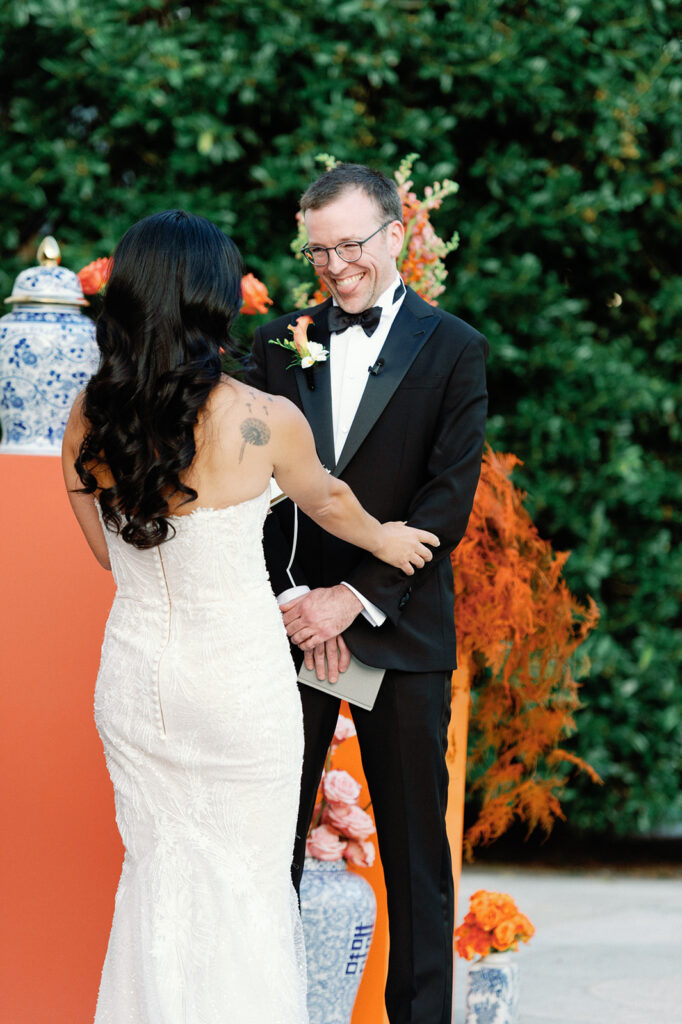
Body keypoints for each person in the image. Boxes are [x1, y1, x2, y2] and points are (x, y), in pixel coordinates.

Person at [61, 209, 438, 1024]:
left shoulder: (89, 415)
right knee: (248, 894)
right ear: (214, 301)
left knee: (157, 883)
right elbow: (333, 503)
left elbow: (105, 551)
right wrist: (389, 538)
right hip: (236, 684)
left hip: (135, 683)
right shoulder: (261, 417)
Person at [246, 164, 488, 1024]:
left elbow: (443, 505)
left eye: (350, 245)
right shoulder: (276, 343)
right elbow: (250, 488)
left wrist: (351, 601)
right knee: (264, 847)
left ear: (394, 233)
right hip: (286, 627)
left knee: (419, 856)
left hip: (399, 627)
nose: (336, 266)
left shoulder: (457, 348)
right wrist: (293, 600)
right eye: (319, 251)